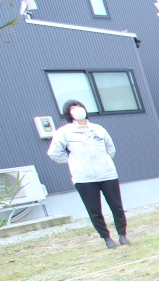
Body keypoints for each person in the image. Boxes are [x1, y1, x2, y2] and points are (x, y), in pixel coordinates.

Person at [47, 100, 129, 249]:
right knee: (94, 210)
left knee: (116, 206)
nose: (77, 110)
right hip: (84, 178)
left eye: (79, 106)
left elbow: (110, 149)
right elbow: (54, 153)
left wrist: (103, 161)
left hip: (107, 174)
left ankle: (122, 234)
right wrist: (75, 162)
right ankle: (106, 238)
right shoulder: (64, 132)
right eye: (73, 108)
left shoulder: (98, 129)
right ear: (68, 113)